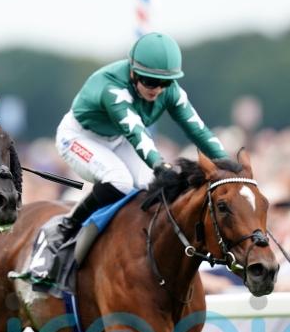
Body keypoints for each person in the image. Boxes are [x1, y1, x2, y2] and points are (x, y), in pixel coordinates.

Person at [54, 32, 228, 248]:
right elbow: (136, 132)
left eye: (165, 82)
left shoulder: (171, 91)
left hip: (118, 138)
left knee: (150, 187)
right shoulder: (112, 87)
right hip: (78, 137)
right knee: (120, 181)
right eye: (150, 81)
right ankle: (67, 226)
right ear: (133, 72)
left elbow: (198, 131)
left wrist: (230, 165)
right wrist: (159, 164)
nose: (158, 89)